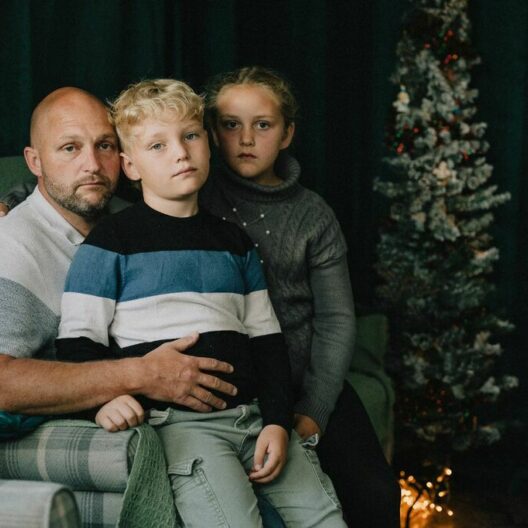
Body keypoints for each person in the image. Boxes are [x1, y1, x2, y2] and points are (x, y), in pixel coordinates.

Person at [55, 78, 347, 528]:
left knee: (326, 518)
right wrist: (101, 402)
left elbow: (267, 341)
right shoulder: (110, 242)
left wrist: (275, 419)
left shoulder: (235, 242)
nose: (180, 152)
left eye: (190, 136)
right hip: (181, 428)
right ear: (130, 165)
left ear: (208, 144)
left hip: (254, 419)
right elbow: (77, 342)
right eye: (157, 145)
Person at [200, 66, 402, 527]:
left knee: (374, 491)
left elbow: (335, 318)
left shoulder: (313, 214)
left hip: (300, 377)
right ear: (212, 132)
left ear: (287, 133)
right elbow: (106, 187)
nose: (246, 138)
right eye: (231, 124)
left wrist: (313, 412)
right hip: (234, 384)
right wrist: (17, 194)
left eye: (263, 125)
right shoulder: (193, 189)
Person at [0, 87, 238, 435]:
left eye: (105, 145)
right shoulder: (14, 247)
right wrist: (138, 376)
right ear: (34, 161)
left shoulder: (138, 220)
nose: (93, 166)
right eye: (70, 148)